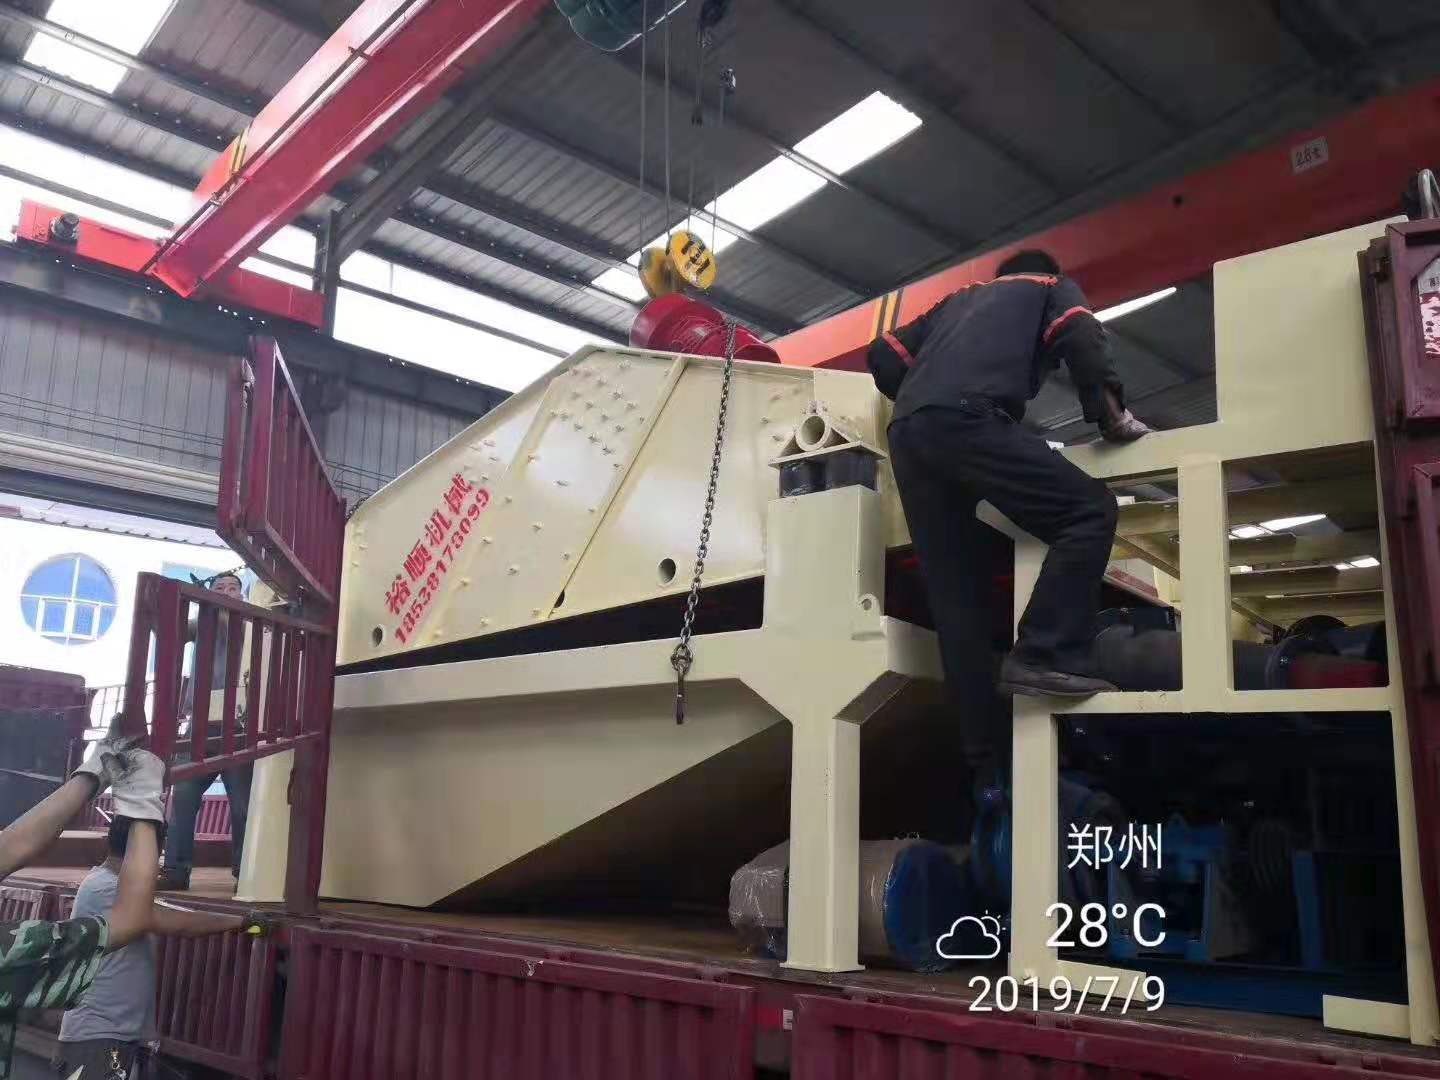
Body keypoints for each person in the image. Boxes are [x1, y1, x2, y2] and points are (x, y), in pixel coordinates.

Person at [870, 251, 1150, 774]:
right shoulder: (1049, 285)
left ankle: (985, 766)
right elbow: (1080, 332)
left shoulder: (955, 303)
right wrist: (1109, 413)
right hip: (968, 416)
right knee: (1089, 511)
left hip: (907, 434)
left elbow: (884, 355)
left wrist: (922, 395)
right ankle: (1044, 652)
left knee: (957, 600)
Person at [0, 732, 165, 1078]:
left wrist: (92, 773)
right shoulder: (11, 952)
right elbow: (131, 918)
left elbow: (11, 847)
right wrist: (141, 803)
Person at [54, 819, 252, 1080]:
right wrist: (240, 921)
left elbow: (170, 913)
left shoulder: (116, 886)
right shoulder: (106, 887)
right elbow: (174, 921)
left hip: (113, 1035)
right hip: (97, 1037)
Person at [159, 572, 252, 893]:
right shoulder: (203, 622)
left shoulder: (251, 621)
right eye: (219, 588)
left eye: (232, 589)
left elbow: (233, 624)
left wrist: (212, 602)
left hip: (238, 727)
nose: (226, 593)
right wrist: (180, 602)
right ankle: (175, 870)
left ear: (243, 595)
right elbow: (168, 629)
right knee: (183, 799)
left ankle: (244, 872)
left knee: (242, 805)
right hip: (199, 725)